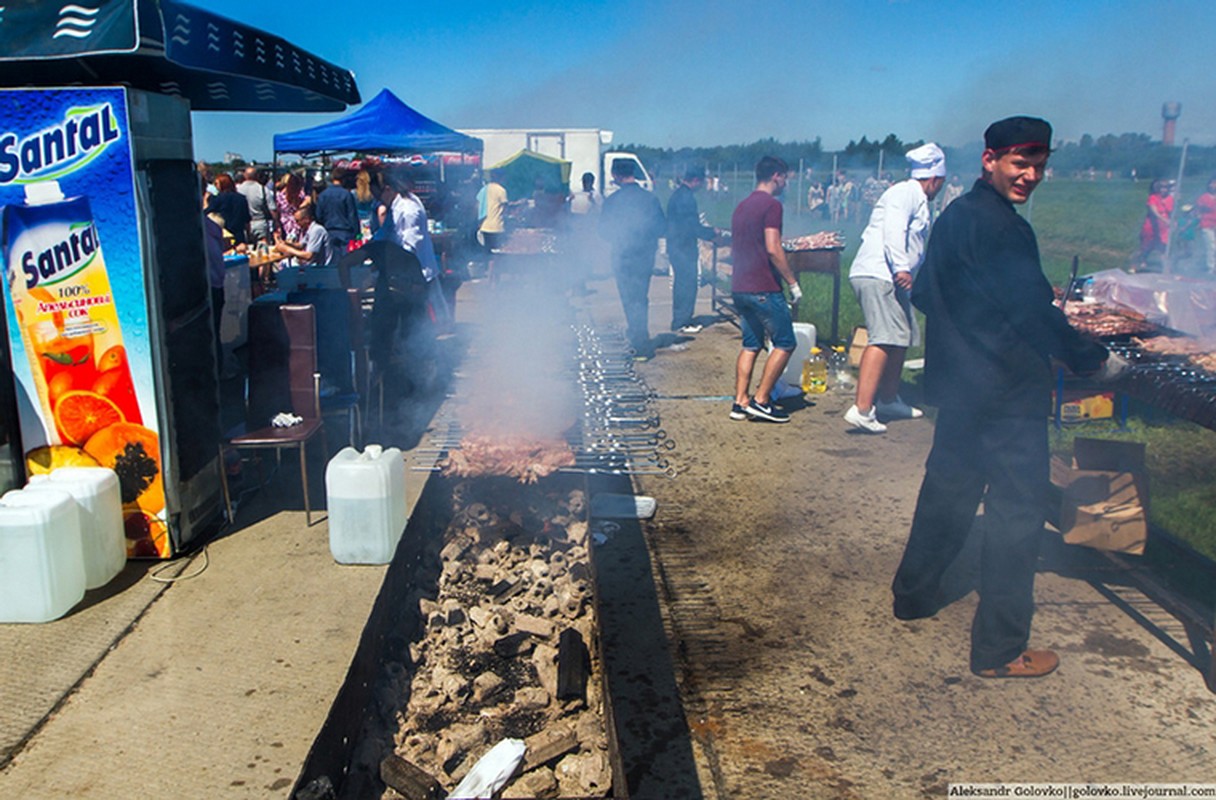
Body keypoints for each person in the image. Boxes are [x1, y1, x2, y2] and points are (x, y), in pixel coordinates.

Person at [892, 116, 1127, 679]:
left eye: (1039, 167)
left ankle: (913, 597)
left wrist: (962, 336)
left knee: (947, 494)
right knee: (1017, 514)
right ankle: (999, 651)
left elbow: (925, 290)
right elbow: (1030, 313)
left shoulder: (953, 218)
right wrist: (1093, 357)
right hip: (1008, 395)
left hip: (960, 392)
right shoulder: (1004, 227)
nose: (1031, 176)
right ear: (990, 160)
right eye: (1021, 164)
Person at [844, 143, 947, 434]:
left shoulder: (917, 198)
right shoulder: (905, 193)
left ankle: (888, 399)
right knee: (884, 337)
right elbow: (894, 229)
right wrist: (901, 267)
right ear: (935, 178)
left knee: (902, 335)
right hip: (880, 274)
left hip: (889, 276)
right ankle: (862, 409)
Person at [728, 156, 801, 423]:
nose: (786, 183)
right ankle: (761, 400)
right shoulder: (772, 206)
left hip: (740, 287)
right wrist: (792, 283)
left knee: (751, 345)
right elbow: (773, 247)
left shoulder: (742, 206)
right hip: (763, 288)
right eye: (786, 178)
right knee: (785, 342)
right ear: (776, 176)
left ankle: (740, 402)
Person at [598, 158, 666, 360]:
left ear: (615, 175)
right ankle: (638, 333)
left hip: (622, 256)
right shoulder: (650, 199)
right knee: (640, 297)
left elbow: (603, 231)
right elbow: (662, 227)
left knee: (629, 298)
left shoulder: (612, 201)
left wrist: (620, 238)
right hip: (644, 256)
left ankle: (641, 344)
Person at [666, 165, 719, 333]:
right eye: (702, 182)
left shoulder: (679, 194)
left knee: (682, 282)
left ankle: (681, 319)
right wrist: (711, 233)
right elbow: (691, 227)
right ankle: (683, 321)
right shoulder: (686, 197)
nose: (702, 185)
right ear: (696, 180)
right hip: (683, 246)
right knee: (687, 284)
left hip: (677, 244)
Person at [315, 168, 360, 254]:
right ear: (343, 179)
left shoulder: (322, 195)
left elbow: (319, 216)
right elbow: (352, 216)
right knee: (345, 263)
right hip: (345, 233)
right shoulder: (347, 195)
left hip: (328, 232)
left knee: (330, 263)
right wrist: (357, 235)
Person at [1136, 179, 1174, 270]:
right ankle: (1140, 260)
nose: (1163, 190)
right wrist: (1165, 220)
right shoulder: (1153, 198)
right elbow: (1155, 212)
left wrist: (1173, 221)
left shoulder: (1170, 199)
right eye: (1161, 188)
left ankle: (1165, 267)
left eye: (1165, 188)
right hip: (1151, 227)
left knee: (1163, 247)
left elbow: (1171, 212)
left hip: (1164, 229)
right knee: (1147, 246)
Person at [205, 173, 251, 248]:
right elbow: (246, 219)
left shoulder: (217, 199)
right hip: (239, 233)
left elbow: (207, 213)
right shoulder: (241, 198)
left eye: (216, 184)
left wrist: (206, 201)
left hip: (224, 235)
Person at [237, 166, 276, 246]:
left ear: (245, 175)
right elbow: (272, 209)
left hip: (244, 224)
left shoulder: (238, 190)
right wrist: (277, 223)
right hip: (260, 223)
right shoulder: (263, 189)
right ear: (257, 176)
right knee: (263, 249)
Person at [478, 169, 510, 252]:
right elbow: (505, 209)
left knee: (487, 252)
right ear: (501, 177)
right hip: (497, 227)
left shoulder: (484, 189)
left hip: (484, 226)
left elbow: (478, 205)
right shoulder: (501, 190)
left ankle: (487, 265)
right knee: (497, 253)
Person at [1195, 176, 1216, 274]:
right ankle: (1211, 268)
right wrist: (1199, 219)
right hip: (1207, 224)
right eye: (1212, 183)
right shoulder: (1203, 197)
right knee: (1211, 246)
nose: (1214, 185)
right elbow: (1198, 211)